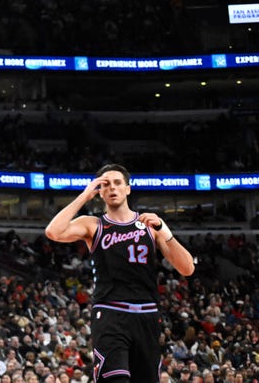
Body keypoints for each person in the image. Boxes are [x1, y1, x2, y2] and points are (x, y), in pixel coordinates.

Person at [44, 164, 196, 383]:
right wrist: (83, 196)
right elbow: (53, 231)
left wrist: (165, 230)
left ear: (128, 189)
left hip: (147, 315)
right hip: (110, 313)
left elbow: (187, 268)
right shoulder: (93, 224)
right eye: (105, 185)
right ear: (100, 192)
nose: (112, 188)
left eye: (117, 183)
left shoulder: (150, 225)